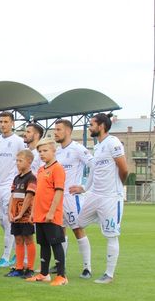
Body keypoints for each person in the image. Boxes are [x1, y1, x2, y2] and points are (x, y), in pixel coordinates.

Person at [72, 113, 128, 284]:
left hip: (110, 197)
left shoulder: (113, 142)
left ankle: (109, 274)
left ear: (101, 126)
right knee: (78, 223)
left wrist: (119, 186)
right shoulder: (98, 147)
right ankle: (86, 266)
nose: (89, 127)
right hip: (94, 195)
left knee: (111, 235)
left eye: (92, 124)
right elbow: (94, 171)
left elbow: (124, 169)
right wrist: (84, 188)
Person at [54, 119, 94, 279]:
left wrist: (84, 186)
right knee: (60, 231)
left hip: (72, 198)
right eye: (55, 129)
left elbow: (94, 165)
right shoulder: (57, 151)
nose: (55, 132)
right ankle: (61, 266)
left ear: (68, 131)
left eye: (59, 129)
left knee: (77, 229)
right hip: (58, 197)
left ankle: (87, 268)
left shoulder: (78, 148)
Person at [26, 138, 68, 286]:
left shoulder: (57, 169)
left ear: (54, 151)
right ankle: (44, 274)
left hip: (51, 214)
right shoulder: (41, 170)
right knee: (43, 244)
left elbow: (58, 192)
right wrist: (33, 212)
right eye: (40, 151)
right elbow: (38, 193)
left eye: (45, 151)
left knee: (55, 243)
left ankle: (62, 276)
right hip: (39, 214)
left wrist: (51, 212)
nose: (42, 154)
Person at [0, 111, 25, 268]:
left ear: (12, 123)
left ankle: (5, 256)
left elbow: (23, 162)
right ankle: (18, 250)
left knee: (9, 220)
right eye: (1, 121)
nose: (3, 124)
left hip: (11, 185)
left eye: (6, 121)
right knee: (3, 222)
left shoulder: (18, 141)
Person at [5, 149, 37, 278]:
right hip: (15, 215)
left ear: (29, 161)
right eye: (17, 160)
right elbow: (12, 196)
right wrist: (9, 212)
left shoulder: (32, 178)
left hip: (26, 216)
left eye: (20, 161)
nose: (17, 163)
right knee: (18, 240)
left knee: (28, 239)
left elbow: (29, 197)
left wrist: (21, 214)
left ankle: (30, 268)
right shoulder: (16, 178)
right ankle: (18, 267)